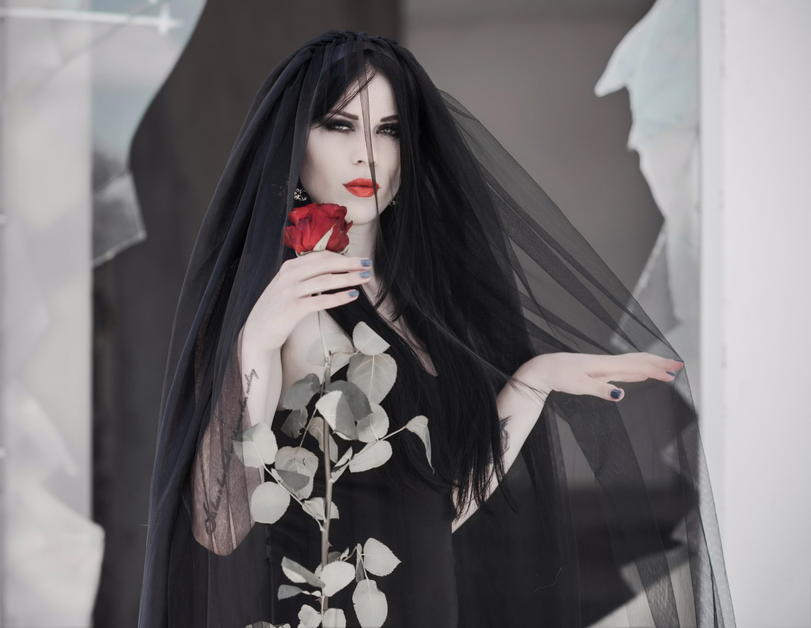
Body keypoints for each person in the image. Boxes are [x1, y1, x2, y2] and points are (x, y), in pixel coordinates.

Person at [138, 31, 733, 628]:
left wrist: (537, 379)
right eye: (341, 126)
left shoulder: (420, 303)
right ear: (296, 142)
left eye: (389, 130)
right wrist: (256, 340)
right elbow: (217, 527)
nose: (366, 154)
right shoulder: (275, 305)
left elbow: (435, 510)